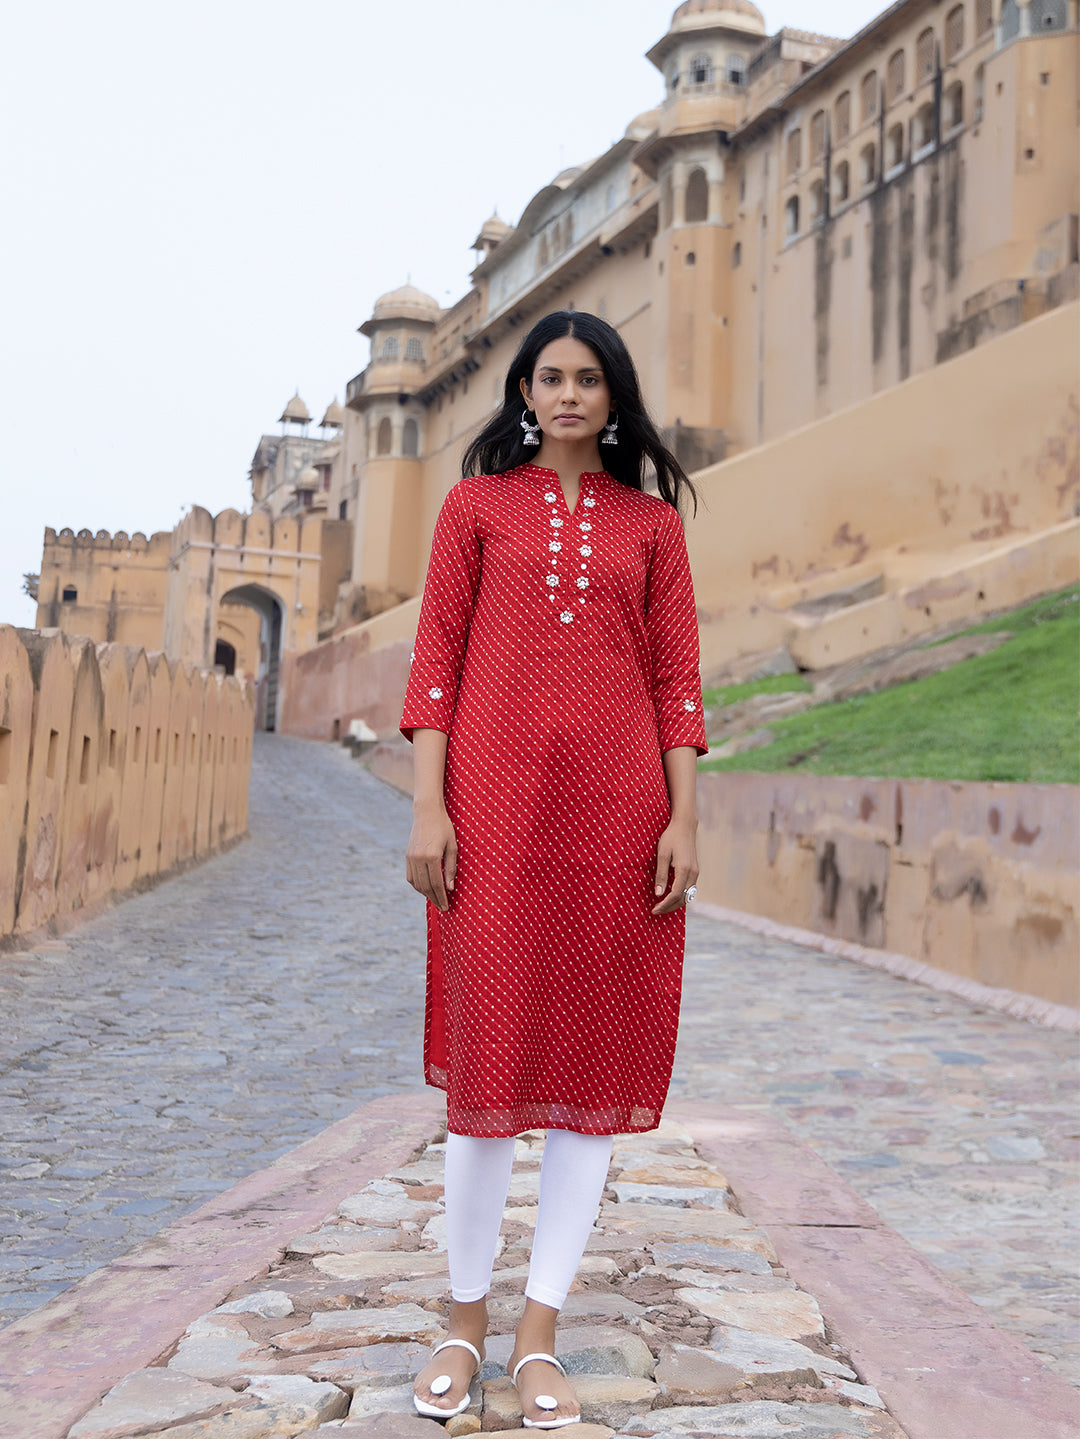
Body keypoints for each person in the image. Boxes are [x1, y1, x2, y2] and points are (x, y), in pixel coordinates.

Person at [401, 309, 707, 1428]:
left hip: (619, 819)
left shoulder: (651, 526)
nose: (568, 394)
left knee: (591, 1070)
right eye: (550, 377)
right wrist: (429, 806)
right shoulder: (476, 508)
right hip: (490, 813)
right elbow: (436, 664)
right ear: (524, 393)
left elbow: (678, 682)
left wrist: (683, 819)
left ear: (614, 395)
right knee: (487, 1075)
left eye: (587, 378)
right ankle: (462, 1321)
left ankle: (539, 1333)